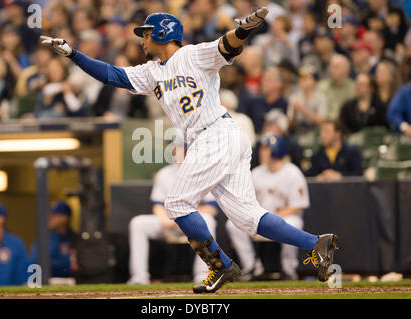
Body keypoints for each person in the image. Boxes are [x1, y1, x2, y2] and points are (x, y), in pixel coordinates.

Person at [41, 8, 338, 294]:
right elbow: (112, 75)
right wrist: (74, 54)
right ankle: (315, 243)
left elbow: (227, 47)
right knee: (247, 218)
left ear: (162, 33)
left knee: (178, 203)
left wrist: (243, 30)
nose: (141, 39)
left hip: (216, 133)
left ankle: (220, 265)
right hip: (217, 138)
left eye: (146, 33)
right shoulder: (152, 71)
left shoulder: (191, 54)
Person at [128, 141, 219, 284]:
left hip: (192, 222)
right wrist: (166, 218)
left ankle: (202, 275)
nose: (178, 152)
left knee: (208, 220)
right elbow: (157, 205)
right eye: (175, 149)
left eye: (182, 149)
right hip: (169, 223)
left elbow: (212, 208)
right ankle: (139, 277)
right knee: (138, 223)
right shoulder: (164, 173)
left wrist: (184, 216)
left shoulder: (204, 172)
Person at [226, 134, 310, 280]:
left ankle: (289, 268)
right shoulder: (256, 172)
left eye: (266, 149)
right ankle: (251, 266)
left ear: (277, 150)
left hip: (284, 216)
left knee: (294, 223)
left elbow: (298, 205)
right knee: (232, 225)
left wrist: (276, 218)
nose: (262, 152)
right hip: (261, 217)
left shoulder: (293, 172)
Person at [29, 200, 76, 278]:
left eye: (55, 216)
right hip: (49, 281)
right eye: (50, 215)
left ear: (65, 217)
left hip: (72, 282)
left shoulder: (75, 238)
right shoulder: (44, 238)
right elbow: (35, 262)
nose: (51, 219)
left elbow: (77, 265)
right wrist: (63, 264)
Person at [288, 64, 328, 134]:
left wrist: (303, 110)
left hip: (315, 131)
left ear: (315, 81)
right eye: (300, 78)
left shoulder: (321, 97)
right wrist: (294, 112)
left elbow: (322, 121)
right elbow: (290, 125)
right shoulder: (294, 97)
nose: (301, 80)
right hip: (298, 129)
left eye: (306, 78)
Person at [246, 66, 288, 133]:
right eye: (263, 79)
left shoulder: (286, 104)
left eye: (268, 80)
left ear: (279, 84)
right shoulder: (254, 103)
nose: (262, 82)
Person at [317, 54, 356, 121]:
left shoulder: (354, 88)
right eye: (331, 66)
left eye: (336, 67)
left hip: (346, 125)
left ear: (346, 70)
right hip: (325, 124)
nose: (332, 70)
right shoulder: (321, 86)